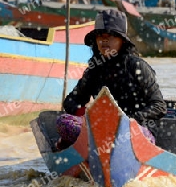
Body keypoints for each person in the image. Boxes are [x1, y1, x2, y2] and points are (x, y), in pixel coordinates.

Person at [55, 9, 167, 151]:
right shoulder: (94, 70)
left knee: (125, 134)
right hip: (100, 131)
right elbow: (72, 101)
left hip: (133, 132)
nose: (104, 40)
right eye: (100, 36)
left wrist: (127, 120)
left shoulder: (137, 66)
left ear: (122, 41)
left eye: (110, 36)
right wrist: (88, 115)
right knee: (64, 122)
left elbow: (159, 106)